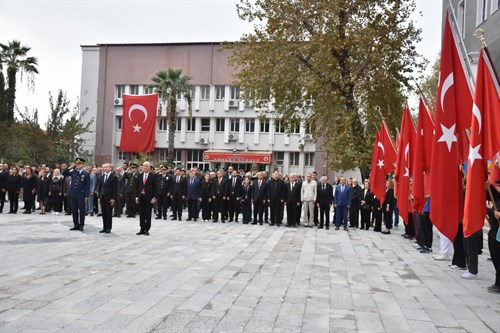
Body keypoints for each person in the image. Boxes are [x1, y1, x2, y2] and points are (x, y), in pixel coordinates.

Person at [485, 179, 500, 293]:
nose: (498, 187)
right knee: (495, 258)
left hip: (497, 233)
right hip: (494, 232)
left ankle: (498, 284)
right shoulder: (498, 197)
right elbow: (493, 194)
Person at [135, 161, 157, 235]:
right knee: (141, 214)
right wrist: (136, 197)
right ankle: (142, 228)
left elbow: (155, 188)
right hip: (141, 197)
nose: (144, 167)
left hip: (149, 198)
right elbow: (137, 187)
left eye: (146, 166)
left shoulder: (153, 176)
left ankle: (147, 229)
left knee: (148, 214)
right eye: (143, 166)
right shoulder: (140, 176)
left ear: (149, 167)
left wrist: (154, 197)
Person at [68, 158, 91, 231]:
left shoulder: (86, 174)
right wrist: (71, 167)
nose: (78, 165)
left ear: (82, 165)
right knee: (74, 210)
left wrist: (86, 196)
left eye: (79, 164)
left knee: (81, 211)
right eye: (77, 164)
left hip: (81, 195)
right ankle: (76, 224)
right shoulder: (73, 172)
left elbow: (87, 186)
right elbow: (64, 173)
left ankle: (81, 225)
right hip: (73, 194)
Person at [96, 163, 117, 233]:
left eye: (106, 167)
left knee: (109, 213)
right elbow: (100, 187)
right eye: (104, 167)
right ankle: (104, 227)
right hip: (102, 197)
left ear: (110, 168)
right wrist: (99, 197)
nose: (105, 169)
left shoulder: (114, 177)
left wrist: (113, 198)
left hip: (109, 198)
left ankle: (109, 227)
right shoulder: (102, 177)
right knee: (104, 213)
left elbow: (115, 189)